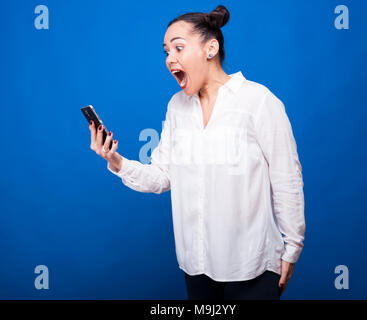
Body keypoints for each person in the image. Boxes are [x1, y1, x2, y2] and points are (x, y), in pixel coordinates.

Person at [87, 5, 305, 300]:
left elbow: (286, 178)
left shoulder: (259, 101)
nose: (169, 59)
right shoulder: (177, 107)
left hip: (253, 266)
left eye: (178, 47)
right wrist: (115, 159)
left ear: (210, 48)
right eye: (166, 52)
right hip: (197, 265)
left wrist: (292, 248)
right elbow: (163, 176)